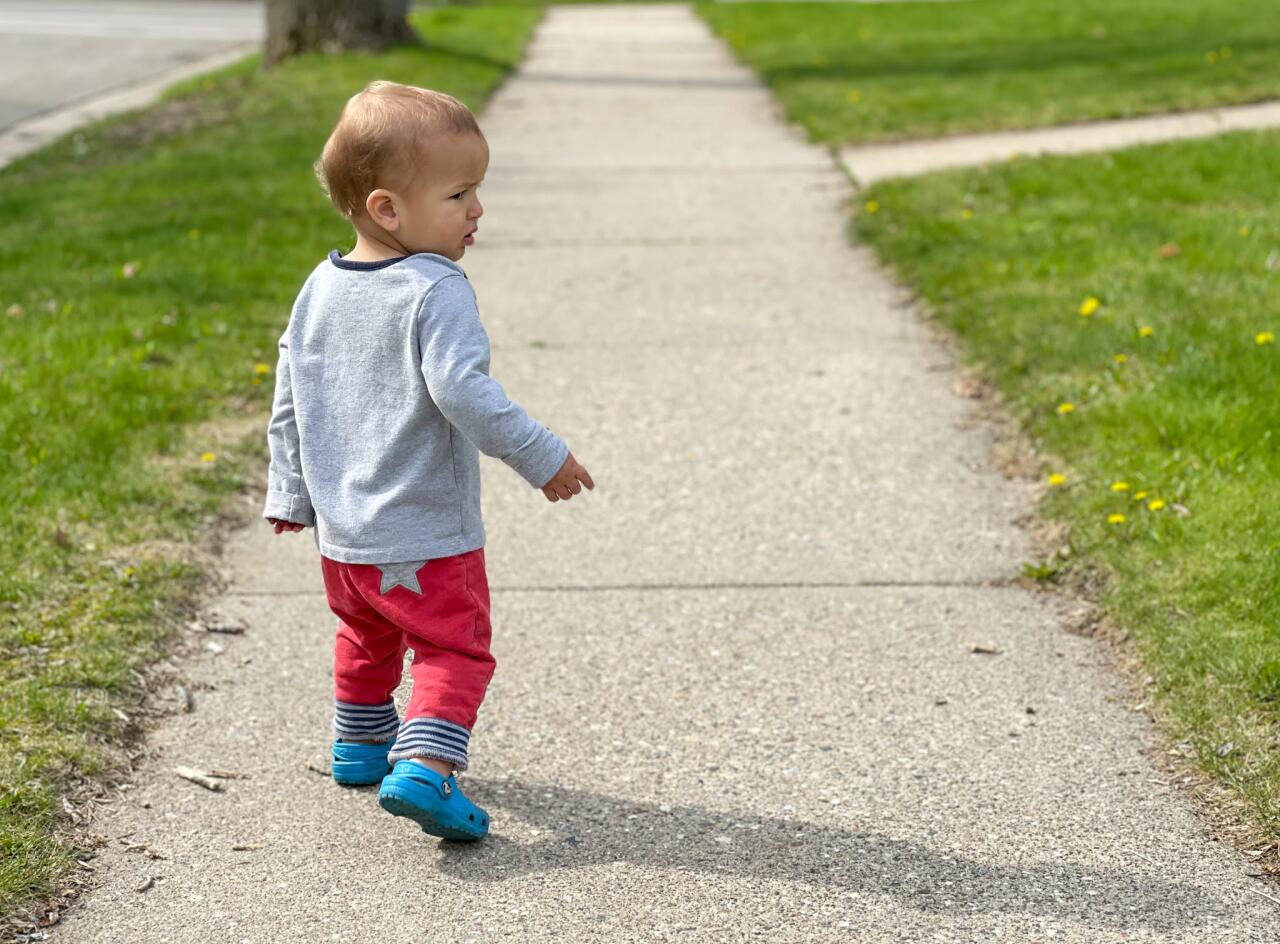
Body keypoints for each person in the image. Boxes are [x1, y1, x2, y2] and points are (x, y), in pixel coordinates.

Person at [262, 80, 594, 842]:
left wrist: (290, 490)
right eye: (459, 194)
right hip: (427, 537)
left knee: (365, 637)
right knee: (452, 648)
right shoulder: (435, 287)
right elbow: (461, 390)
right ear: (387, 208)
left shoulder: (319, 288)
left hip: (344, 540)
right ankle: (427, 770)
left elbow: (289, 397)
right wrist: (542, 455)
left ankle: (358, 746)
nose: (477, 211)